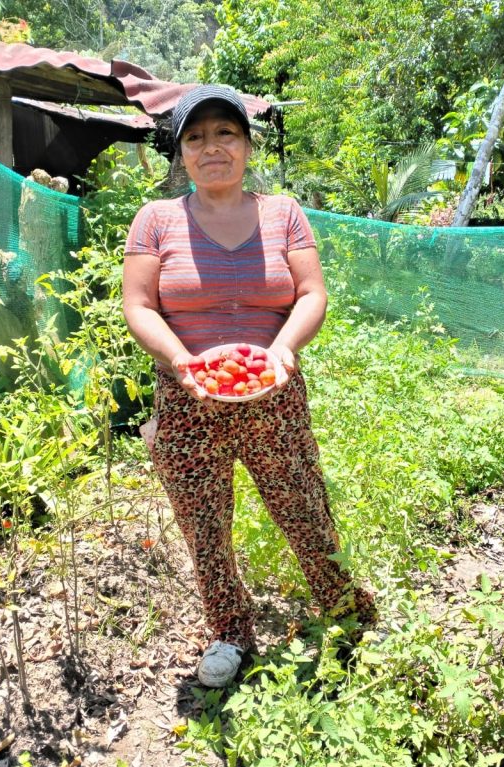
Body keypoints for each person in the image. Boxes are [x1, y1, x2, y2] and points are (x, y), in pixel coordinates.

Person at [122, 85, 376, 688]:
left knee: (304, 509)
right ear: (181, 154)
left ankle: (347, 615)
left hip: (274, 395)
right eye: (195, 137)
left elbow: (311, 293)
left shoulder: (283, 213)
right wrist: (182, 361)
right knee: (203, 525)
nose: (212, 147)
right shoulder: (156, 220)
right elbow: (139, 305)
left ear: (247, 146)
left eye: (226, 134)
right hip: (188, 399)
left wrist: (282, 351)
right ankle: (231, 631)